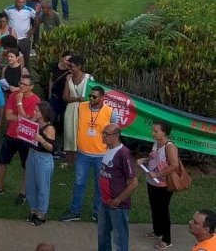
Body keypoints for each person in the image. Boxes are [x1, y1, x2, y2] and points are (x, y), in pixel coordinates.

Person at [61, 86, 118, 223]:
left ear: (102, 98)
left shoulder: (110, 112)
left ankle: (97, 213)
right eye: (90, 96)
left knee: (100, 186)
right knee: (79, 183)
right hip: (83, 154)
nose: (91, 98)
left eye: (94, 96)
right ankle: (75, 211)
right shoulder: (82, 107)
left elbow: (115, 133)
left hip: (101, 155)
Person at [0, 76, 39, 202]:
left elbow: (29, 120)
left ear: (31, 87)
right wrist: (23, 118)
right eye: (20, 83)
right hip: (11, 134)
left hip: (25, 137)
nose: (21, 86)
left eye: (25, 84)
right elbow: (9, 116)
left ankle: (23, 193)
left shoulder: (35, 100)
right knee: (2, 161)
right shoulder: (13, 95)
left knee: (26, 165)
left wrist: (19, 103)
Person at [138, 121, 180, 249]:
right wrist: (144, 160)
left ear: (164, 132)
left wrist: (158, 174)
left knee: (162, 210)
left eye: (156, 131)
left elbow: (174, 165)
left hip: (163, 185)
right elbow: (154, 157)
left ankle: (167, 240)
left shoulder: (169, 146)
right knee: (154, 208)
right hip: (152, 182)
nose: (153, 133)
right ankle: (157, 232)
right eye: (153, 131)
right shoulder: (156, 143)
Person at [97, 123, 138, 251]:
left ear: (116, 136)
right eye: (102, 133)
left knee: (120, 239)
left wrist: (118, 200)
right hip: (104, 202)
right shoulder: (108, 149)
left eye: (106, 134)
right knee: (102, 236)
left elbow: (134, 182)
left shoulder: (123, 153)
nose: (103, 136)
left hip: (117, 206)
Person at [25, 102, 56, 226]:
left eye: (37, 111)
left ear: (44, 113)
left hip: (43, 158)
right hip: (31, 155)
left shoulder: (49, 128)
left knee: (43, 186)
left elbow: (51, 148)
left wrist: (42, 140)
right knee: (31, 185)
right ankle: (33, 210)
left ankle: (41, 214)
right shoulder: (35, 124)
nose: (34, 112)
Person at [62, 55, 92, 166]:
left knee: (81, 133)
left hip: (85, 110)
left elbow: (93, 95)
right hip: (70, 109)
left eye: (72, 66)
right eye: (69, 66)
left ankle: (82, 160)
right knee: (69, 133)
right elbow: (65, 97)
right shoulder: (68, 79)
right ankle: (70, 160)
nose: (70, 69)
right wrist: (77, 99)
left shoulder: (89, 78)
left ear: (79, 66)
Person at [48, 50, 73, 148]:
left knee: (63, 120)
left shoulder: (71, 70)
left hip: (65, 99)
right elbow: (51, 80)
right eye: (67, 60)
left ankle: (61, 144)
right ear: (62, 58)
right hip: (55, 97)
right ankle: (51, 141)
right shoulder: (54, 66)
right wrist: (50, 95)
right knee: (52, 119)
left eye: (70, 61)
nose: (68, 62)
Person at [4, 0, 36, 69]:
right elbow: (2, 18)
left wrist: (32, 30)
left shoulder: (29, 10)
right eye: (19, 2)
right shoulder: (8, 10)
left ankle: (26, 76)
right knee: (12, 58)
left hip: (24, 39)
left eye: (22, 2)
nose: (20, 4)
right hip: (13, 39)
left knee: (26, 59)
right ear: (15, 2)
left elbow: (37, 20)